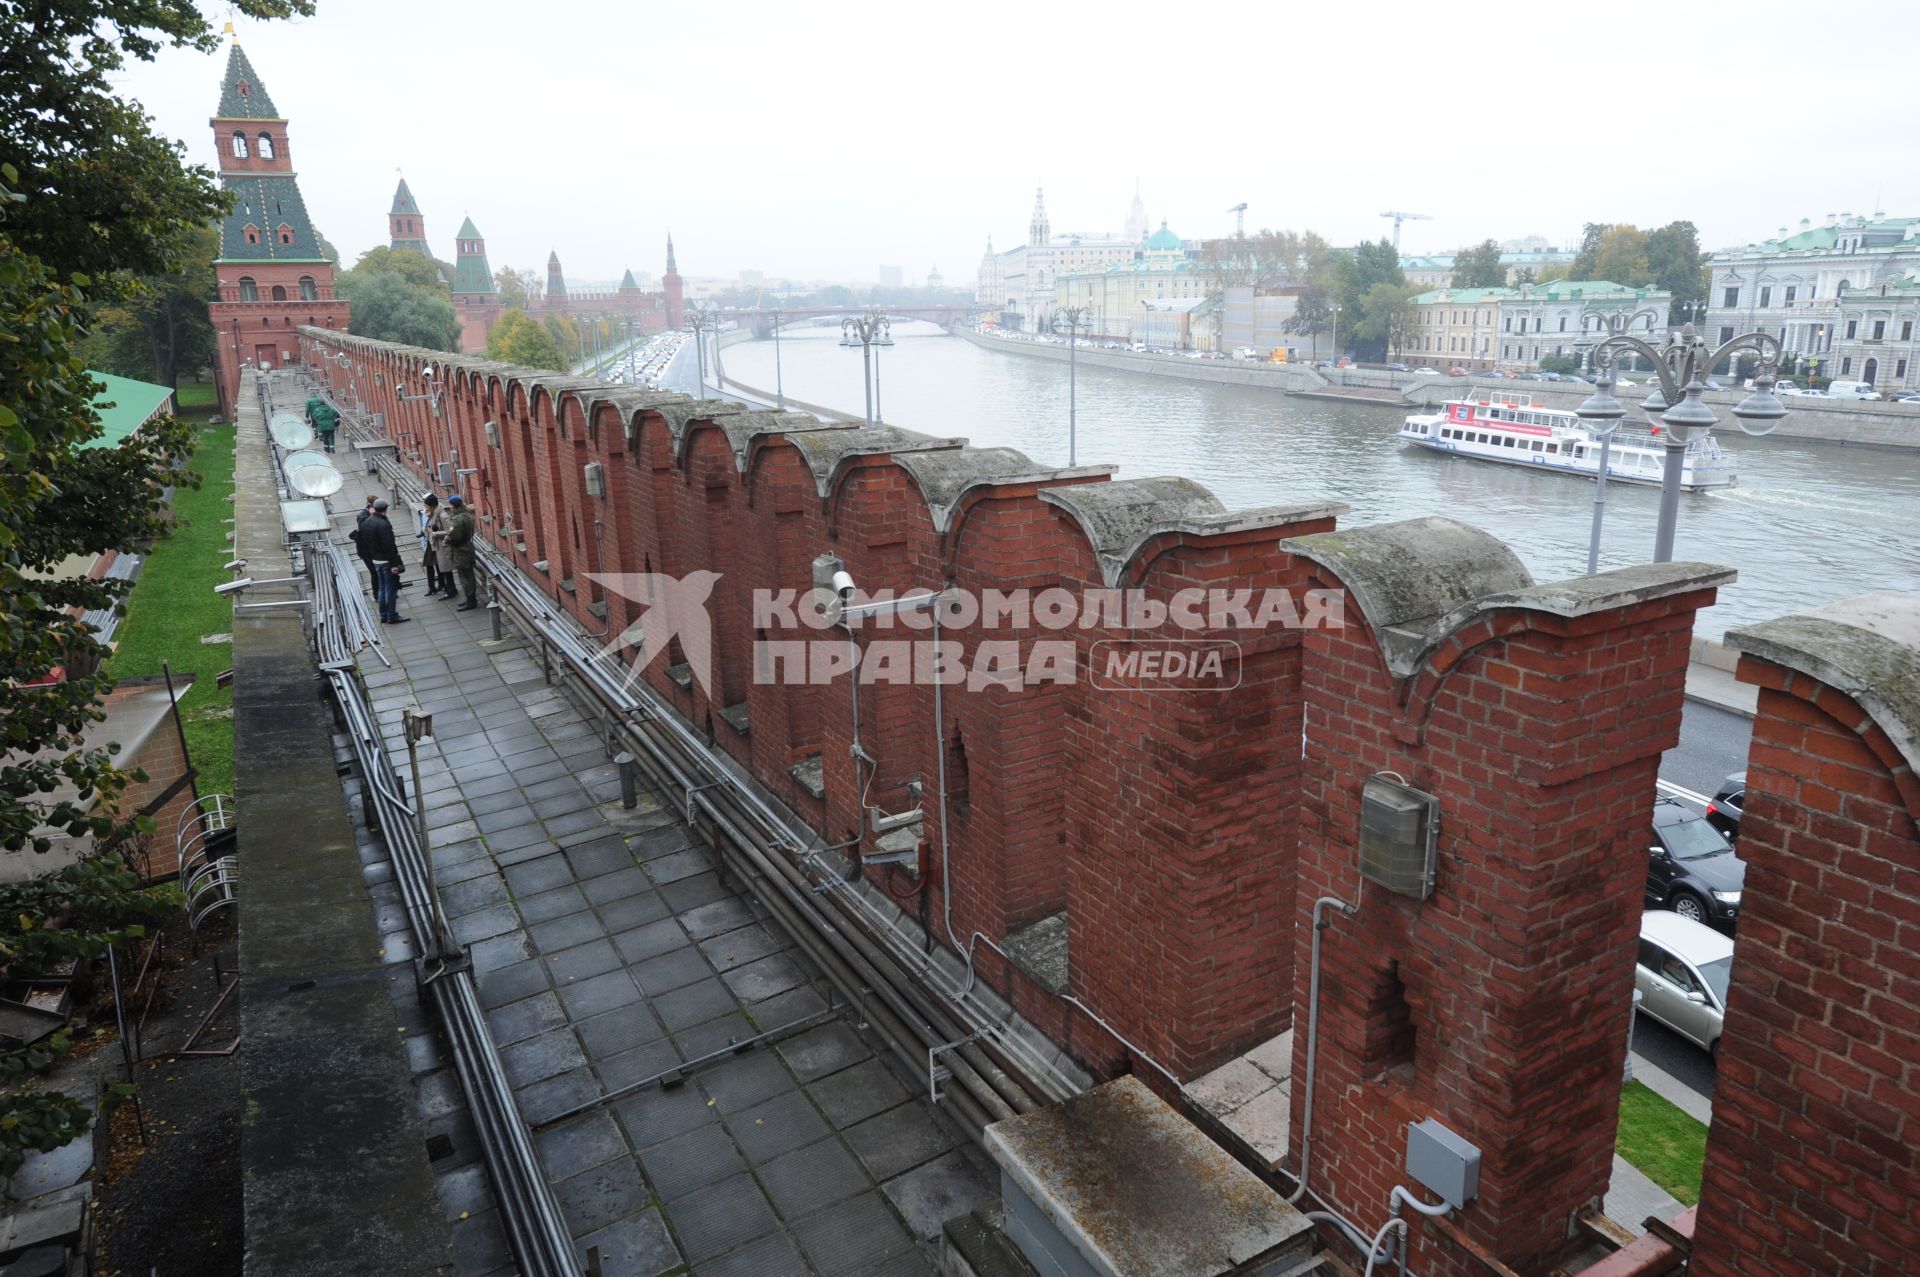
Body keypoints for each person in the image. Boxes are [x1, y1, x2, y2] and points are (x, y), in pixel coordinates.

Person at [361, 498, 408, 624]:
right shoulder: (383, 524)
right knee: (390, 589)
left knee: (381, 588)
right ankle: (392, 615)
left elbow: (365, 542)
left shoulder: (366, 522)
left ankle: (383, 615)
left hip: (375, 560)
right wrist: (394, 564)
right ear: (386, 509)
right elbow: (389, 546)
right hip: (386, 561)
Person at [418, 494, 456, 599]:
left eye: (427, 506)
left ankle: (451, 591)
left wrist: (435, 533)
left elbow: (450, 530)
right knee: (443, 569)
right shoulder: (435, 512)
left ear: (432, 505)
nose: (426, 508)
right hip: (437, 545)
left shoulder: (443, 515)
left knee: (446, 569)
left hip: (443, 545)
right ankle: (449, 589)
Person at [445, 494, 478, 611]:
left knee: (465, 576)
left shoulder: (458, 519)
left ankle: (471, 601)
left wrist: (447, 540)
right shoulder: (467, 515)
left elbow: (454, 536)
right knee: (468, 575)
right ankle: (470, 599)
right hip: (468, 548)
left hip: (461, 551)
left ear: (453, 505)